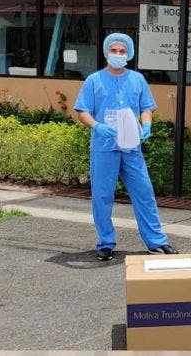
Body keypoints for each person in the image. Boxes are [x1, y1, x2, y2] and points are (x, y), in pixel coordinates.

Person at [74, 33, 178, 261]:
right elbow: (82, 111)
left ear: (129, 54)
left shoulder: (137, 80)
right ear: (106, 52)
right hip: (104, 146)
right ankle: (105, 243)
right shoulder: (94, 80)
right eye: (114, 51)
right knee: (102, 196)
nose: (118, 55)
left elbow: (146, 107)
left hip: (131, 146)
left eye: (122, 51)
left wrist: (147, 123)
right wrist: (97, 126)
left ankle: (157, 242)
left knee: (144, 192)